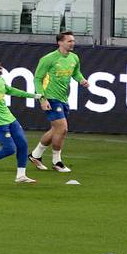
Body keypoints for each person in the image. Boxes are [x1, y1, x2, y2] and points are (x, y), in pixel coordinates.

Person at [28, 31, 90, 173]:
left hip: (63, 98)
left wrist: (81, 80)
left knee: (56, 129)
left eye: (73, 41)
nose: (72, 43)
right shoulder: (48, 59)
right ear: (60, 42)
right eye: (69, 41)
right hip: (50, 98)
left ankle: (35, 155)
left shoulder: (74, 58)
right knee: (63, 129)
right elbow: (37, 79)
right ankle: (57, 161)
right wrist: (42, 99)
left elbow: (75, 73)